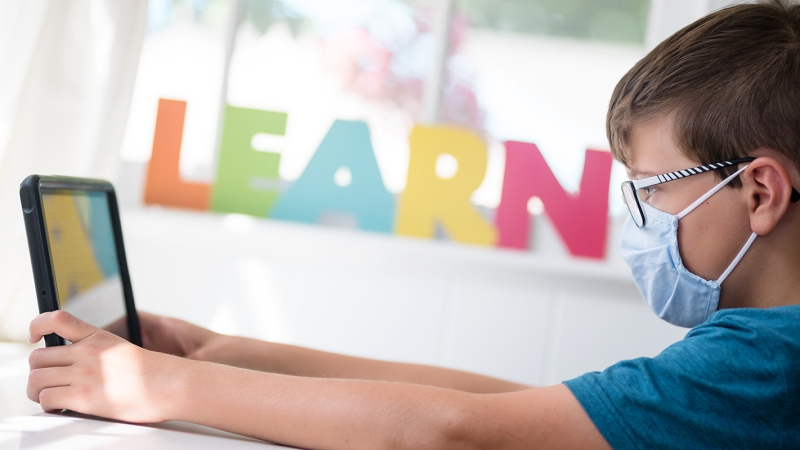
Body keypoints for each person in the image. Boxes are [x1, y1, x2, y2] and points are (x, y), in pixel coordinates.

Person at [25, 1, 800, 448]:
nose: (641, 224)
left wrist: (155, 384)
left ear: (760, 191)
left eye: (652, 192)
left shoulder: (769, 362)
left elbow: (454, 432)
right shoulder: (749, 357)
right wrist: (218, 351)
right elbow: (526, 404)